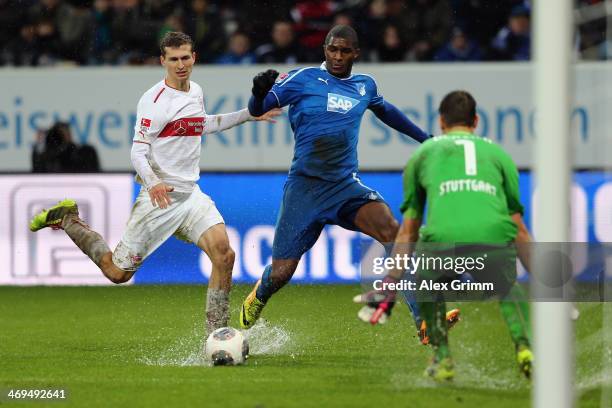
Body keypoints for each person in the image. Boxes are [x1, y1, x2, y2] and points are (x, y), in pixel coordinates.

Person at [29, 31, 280, 334]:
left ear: (194, 58)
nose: (180, 65)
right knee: (117, 272)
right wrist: (153, 182)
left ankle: (217, 336)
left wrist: (249, 115)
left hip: (190, 197)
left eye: (185, 57)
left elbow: (204, 125)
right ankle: (68, 219)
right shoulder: (154, 101)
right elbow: (137, 151)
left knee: (224, 255)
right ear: (163, 61)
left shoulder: (195, 91)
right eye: (173, 59)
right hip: (158, 200)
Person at [240, 25, 458, 336]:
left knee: (392, 232)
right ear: (324, 50)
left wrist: (426, 140)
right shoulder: (303, 79)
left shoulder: (364, 86)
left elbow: (388, 112)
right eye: (332, 50)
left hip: (344, 187)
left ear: (356, 52)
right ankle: (259, 295)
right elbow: (257, 109)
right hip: (305, 189)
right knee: (281, 272)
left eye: (344, 51)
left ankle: (423, 320)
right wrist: (258, 92)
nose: (337, 57)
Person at [385, 90, 533, 381]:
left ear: (440, 122)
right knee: (506, 287)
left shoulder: (423, 154)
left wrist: (391, 278)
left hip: (443, 239)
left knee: (426, 282)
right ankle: (525, 348)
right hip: (492, 236)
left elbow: (409, 229)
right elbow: (519, 227)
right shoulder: (500, 154)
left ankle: (442, 358)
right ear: (476, 121)